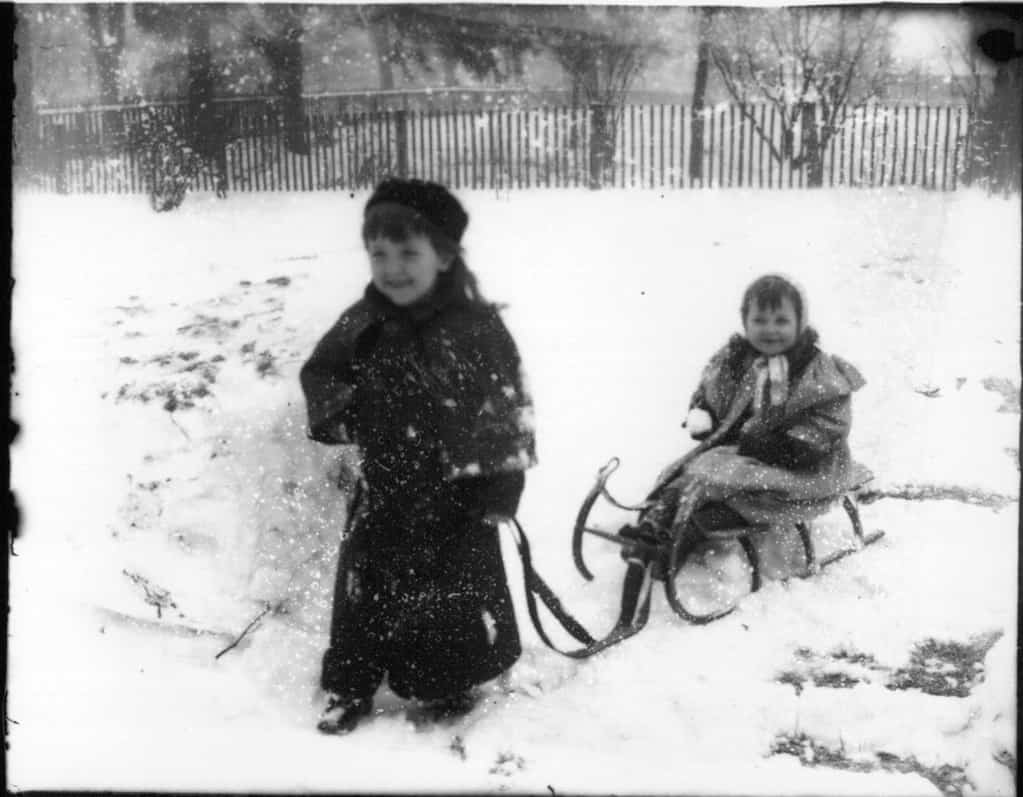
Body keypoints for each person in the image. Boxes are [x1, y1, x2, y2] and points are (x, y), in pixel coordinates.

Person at [300, 178, 537, 735]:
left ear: (446, 254)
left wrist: (502, 487)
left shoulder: (476, 328)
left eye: (409, 252)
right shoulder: (364, 320)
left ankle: (445, 682)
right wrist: (349, 416)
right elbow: (322, 374)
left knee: (450, 599)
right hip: (383, 487)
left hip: (456, 496)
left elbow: (506, 409)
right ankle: (349, 687)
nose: (393, 268)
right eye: (379, 253)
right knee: (365, 595)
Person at [645, 273, 871, 537]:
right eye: (759, 320)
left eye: (782, 321)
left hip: (804, 465)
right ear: (745, 322)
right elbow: (711, 389)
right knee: (691, 472)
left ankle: (697, 523)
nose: (770, 330)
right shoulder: (735, 360)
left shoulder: (816, 371)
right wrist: (703, 410)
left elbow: (828, 422)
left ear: (800, 323)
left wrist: (789, 447)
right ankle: (658, 518)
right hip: (747, 454)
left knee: (719, 476)